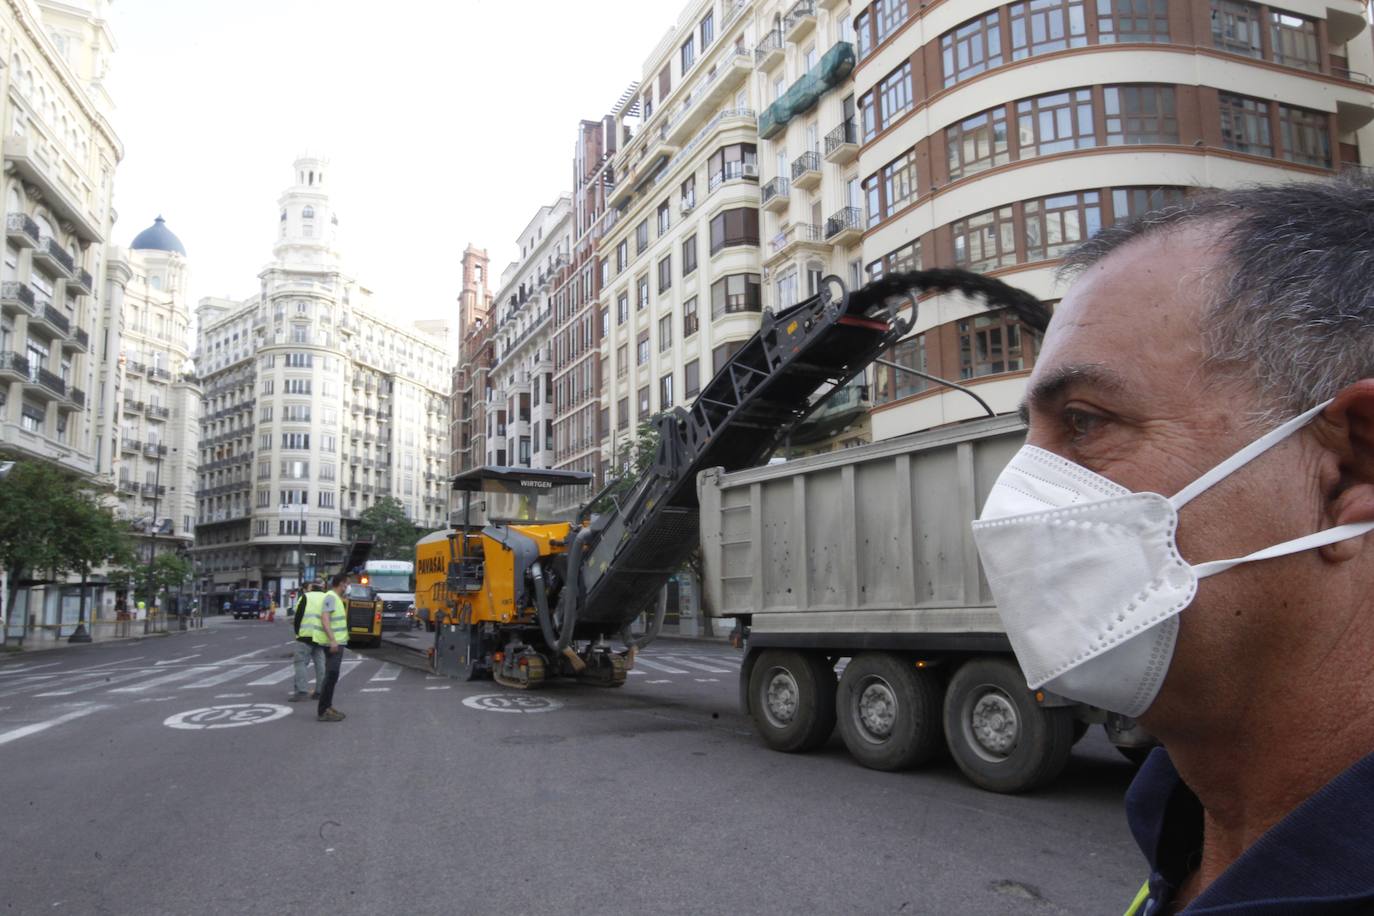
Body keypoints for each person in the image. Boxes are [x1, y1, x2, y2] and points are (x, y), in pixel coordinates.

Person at [972, 176, 1374, 913]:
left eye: (1085, 423)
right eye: (1030, 438)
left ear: (1349, 464)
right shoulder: (1184, 824)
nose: (1012, 501)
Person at [313, 573, 350, 722]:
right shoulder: (330, 597)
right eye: (346, 584)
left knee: (332, 676)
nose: (347, 587)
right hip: (333, 644)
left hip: (337, 643)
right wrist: (333, 640)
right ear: (341, 583)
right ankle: (323, 710)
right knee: (331, 675)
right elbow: (325, 618)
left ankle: (327, 706)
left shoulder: (335, 598)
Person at [288, 580, 326, 703]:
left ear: (311, 588)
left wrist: (298, 633)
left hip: (305, 636)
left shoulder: (305, 597)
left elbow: (298, 617)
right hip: (321, 637)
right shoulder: (327, 598)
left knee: (300, 663)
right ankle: (320, 691)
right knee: (320, 664)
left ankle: (301, 691)